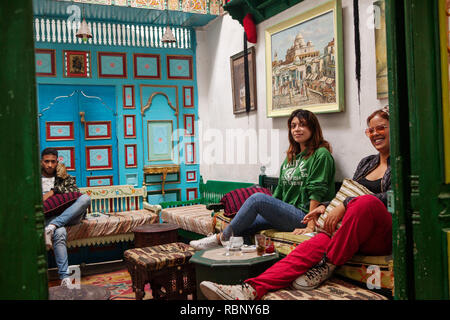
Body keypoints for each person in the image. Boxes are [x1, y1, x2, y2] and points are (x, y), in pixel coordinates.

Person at [199, 106, 392, 300]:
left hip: (379, 234)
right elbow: (346, 192)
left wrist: (344, 204)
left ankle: (328, 265)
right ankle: (247, 290)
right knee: (306, 249)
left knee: (366, 202)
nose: (375, 133)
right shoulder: (367, 162)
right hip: (349, 230)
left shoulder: (403, 161)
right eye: (371, 130)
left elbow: (390, 197)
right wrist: (326, 206)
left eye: (381, 128)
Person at [190, 109, 336, 250]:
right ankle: (243, 262)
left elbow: (317, 190)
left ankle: (219, 239)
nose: (297, 129)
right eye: (293, 126)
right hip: (287, 213)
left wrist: (310, 225)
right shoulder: (291, 158)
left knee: (257, 199)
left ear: (313, 128)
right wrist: (270, 209)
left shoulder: (321, 154)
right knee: (245, 224)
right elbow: (279, 191)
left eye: (302, 125)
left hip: (304, 216)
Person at [41, 148, 91, 287]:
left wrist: (54, 191)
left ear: (57, 162)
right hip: (47, 218)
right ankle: (65, 277)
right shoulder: (35, 178)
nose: (50, 165)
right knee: (60, 232)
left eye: (52, 161)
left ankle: (52, 226)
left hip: (68, 216)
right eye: (46, 161)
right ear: (41, 162)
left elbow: (75, 192)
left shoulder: (63, 177)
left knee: (85, 198)